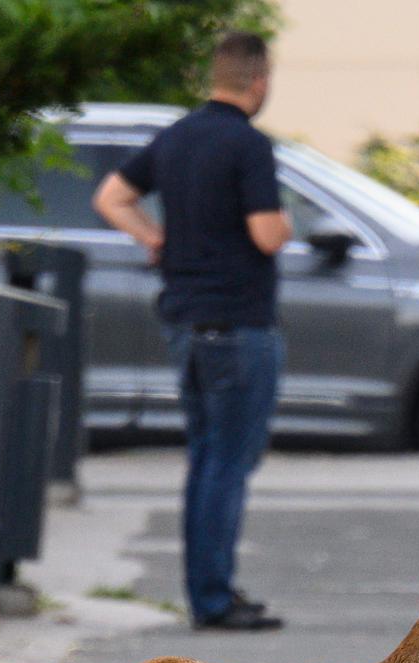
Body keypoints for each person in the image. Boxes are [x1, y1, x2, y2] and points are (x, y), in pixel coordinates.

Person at [94, 31, 292, 631]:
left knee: (207, 457)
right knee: (229, 462)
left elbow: (111, 197)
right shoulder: (248, 145)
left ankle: (207, 590)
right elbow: (266, 234)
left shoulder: (175, 138)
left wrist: (154, 238)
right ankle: (214, 597)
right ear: (258, 82)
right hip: (238, 322)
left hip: (185, 321)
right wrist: (286, 226)